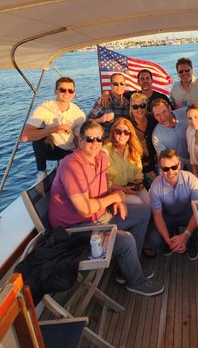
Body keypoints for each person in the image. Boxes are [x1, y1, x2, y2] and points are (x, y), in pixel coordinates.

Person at [48, 120, 164, 297]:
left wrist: (116, 199)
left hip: (99, 217)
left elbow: (105, 188)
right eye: (89, 139)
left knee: (143, 212)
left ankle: (130, 269)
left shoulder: (101, 157)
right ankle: (136, 281)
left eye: (99, 139)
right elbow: (85, 208)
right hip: (75, 229)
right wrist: (115, 197)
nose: (95, 144)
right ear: (79, 141)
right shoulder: (71, 166)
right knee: (125, 241)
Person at [21, 77, 86, 182]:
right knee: (38, 136)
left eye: (70, 90)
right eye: (62, 90)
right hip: (50, 149)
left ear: (74, 93)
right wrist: (54, 129)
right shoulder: (44, 108)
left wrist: (82, 159)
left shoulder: (78, 114)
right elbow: (24, 137)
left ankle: (62, 162)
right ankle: (42, 171)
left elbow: (78, 139)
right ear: (55, 91)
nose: (67, 93)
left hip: (68, 150)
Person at [148, 149, 198, 260]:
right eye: (166, 169)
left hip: (188, 214)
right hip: (167, 215)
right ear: (160, 168)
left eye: (174, 167)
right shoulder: (155, 186)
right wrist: (169, 241)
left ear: (179, 165)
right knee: (154, 240)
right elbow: (158, 216)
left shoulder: (192, 180)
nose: (171, 172)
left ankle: (190, 244)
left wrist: (186, 235)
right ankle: (171, 242)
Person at [103, 117, 150, 205]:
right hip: (115, 191)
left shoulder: (133, 149)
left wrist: (138, 182)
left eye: (126, 132)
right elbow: (104, 181)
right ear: (113, 132)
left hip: (131, 187)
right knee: (137, 202)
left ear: (130, 134)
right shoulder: (105, 152)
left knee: (150, 202)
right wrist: (122, 189)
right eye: (118, 132)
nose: (122, 135)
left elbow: (138, 171)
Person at [88, 72, 129, 140]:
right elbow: (87, 122)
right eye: (115, 84)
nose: (119, 86)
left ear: (125, 85)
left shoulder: (128, 102)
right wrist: (101, 120)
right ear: (111, 85)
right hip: (107, 141)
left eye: (122, 83)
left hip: (123, 140)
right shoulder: (103, 101)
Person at [129, 93, 157, 186]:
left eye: (142, 105)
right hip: (139, 168)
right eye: (135, 107)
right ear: (131, 109)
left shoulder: (152, 119)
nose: (139, 109)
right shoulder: (128, 125)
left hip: (156, 162)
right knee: (154, 186)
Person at [151, 98, 189, 169]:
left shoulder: (185, 112)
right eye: (157, 115)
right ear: (154, 117)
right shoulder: (156, 136)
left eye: (164, 112)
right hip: (177, 166)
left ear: (169, 108)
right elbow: (164, 160)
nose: (162, 117)